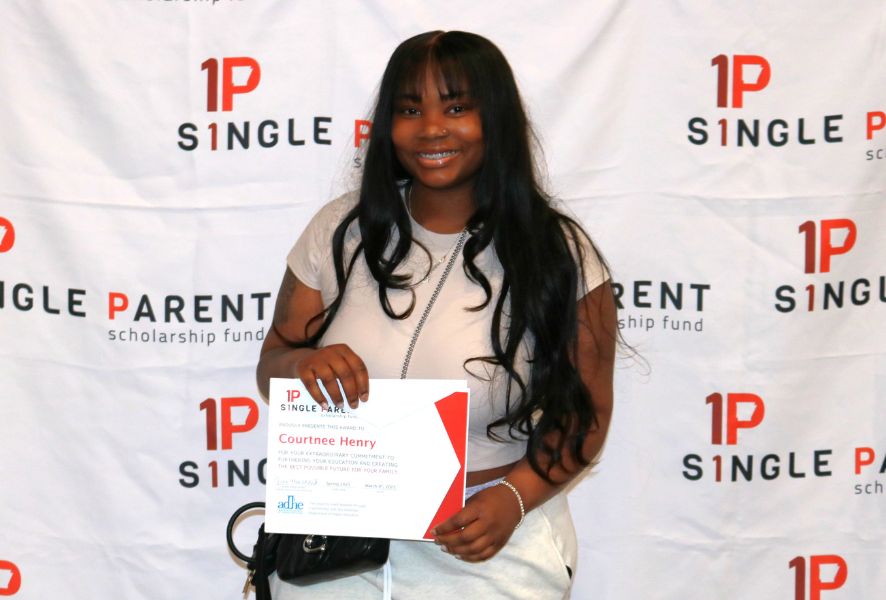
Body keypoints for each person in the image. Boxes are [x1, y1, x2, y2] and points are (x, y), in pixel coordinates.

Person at [257, 30, 616, 600]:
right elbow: (274, 360)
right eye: (408, 109)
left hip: (486, 545)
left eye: (457, 107)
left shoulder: (558, 252)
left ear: (494, 119)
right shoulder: (340, 230)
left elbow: (586, 413)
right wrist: (302, 364)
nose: (430, 128)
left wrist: (514, 498)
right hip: (334, 547)